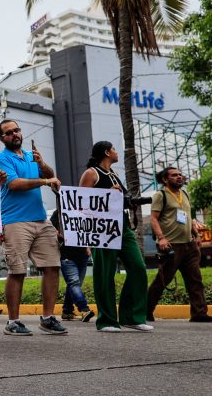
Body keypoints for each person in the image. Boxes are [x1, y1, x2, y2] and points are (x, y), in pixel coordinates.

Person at [0, 119, 67, 336]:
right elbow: (15, 184)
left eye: (17, 130)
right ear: (2, 138)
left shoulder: (30, 155)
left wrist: (43, 165)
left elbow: (49, 173)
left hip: (40, 219)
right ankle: (13, 321)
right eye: (9, 133)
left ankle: (47, 318)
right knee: (17, 271)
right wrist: (46, 182)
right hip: (15, 220)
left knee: (52, 267)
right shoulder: (1, 158)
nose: (14, 134)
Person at [79, 141, 152, 332]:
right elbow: (81, 204)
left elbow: (121, 200)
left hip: (122, 226)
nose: (116, 152)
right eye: (114, 149)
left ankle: (132, 317)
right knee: (105, 273)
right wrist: (105, 194)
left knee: (137, 267)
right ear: (106, 152)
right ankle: (107, 320)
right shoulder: (91, 173)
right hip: (101, 229)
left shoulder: (114, 174)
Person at [147, 166, 212, 323]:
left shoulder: (184, 194)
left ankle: (199, 313)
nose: (179, 177)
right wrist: (161, 238)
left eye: (180, 175)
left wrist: (196, 235)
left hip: (189, 245)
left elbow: (187, 217)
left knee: (195, 280)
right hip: (170, 245)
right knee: (163, 280)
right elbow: (154, 218)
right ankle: (145, 311)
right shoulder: (160, 195)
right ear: (165, 179)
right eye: (174, 175)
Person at [49, 211, 94, 322]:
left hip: (82, 255)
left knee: (74, 284)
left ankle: (67, 311)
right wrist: (58, 234)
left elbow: (88, 231)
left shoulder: (84, 212)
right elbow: (49, 230)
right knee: (74, 283)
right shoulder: (58, 213)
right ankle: (84, 309)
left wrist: (88, 247)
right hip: (67, 256)